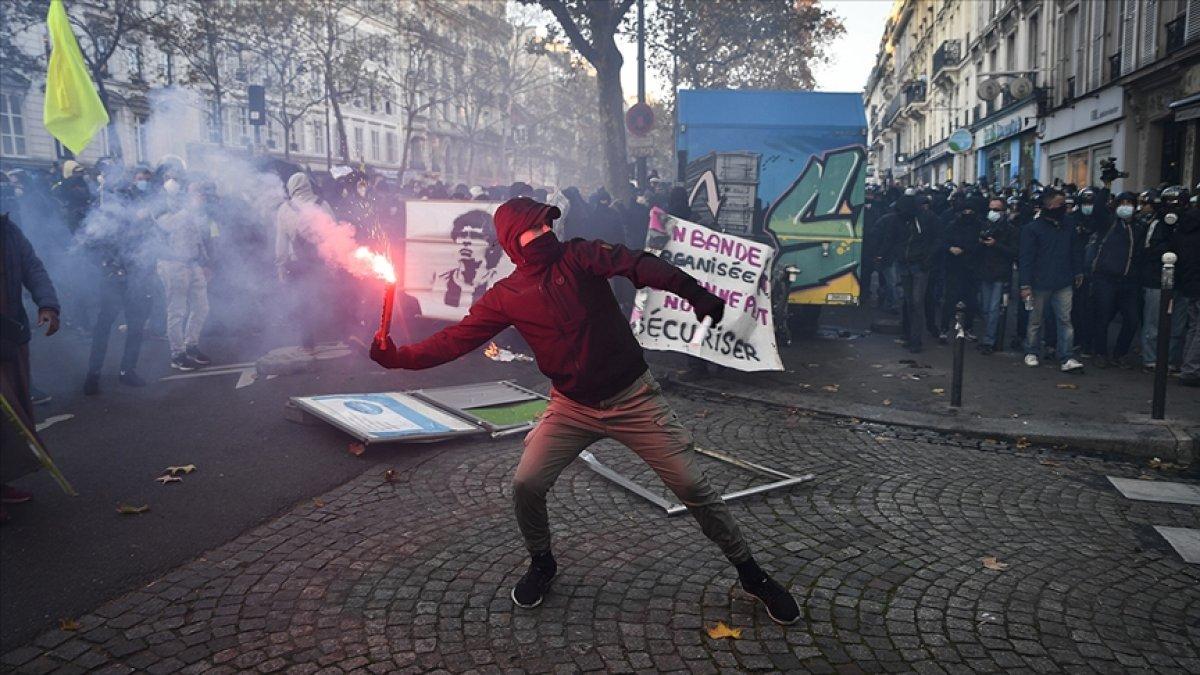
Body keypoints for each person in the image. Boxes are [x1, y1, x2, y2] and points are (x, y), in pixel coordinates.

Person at [369, 197, 801, 624]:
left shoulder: (579, 255)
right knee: (526, 483)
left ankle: (750, 573)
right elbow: (456, 339)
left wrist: (693, 292)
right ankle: (542, 562)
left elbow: (638, 263)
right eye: (533, 229)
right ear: (512, 242)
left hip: (633, 398)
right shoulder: (506, 296)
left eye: (547, 225)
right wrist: (400, 357)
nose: (545, 234)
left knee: (694, 486)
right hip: (571, 407)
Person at [1, 214, 60, 524]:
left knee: (13, 417)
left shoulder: (9, 230)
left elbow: (33, 268)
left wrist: (47, 304)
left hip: (10, 336)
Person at [82, 168, 157, 393]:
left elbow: (148, 242)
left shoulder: (142, 213)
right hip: (114, 278)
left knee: (135, 326)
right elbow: (89, 243)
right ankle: (93, 374)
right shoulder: (105, 211)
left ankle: (127, 370)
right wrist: (107, 266)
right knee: (104, 326)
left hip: (136, 276)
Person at [1019, 189, 1085, 372]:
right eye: (1059, 204)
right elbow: (1026, 258)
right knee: (1035, 320)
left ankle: (1067, 356)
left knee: (1065, 320)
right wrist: (1025, 284)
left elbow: (1075, 249)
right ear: (1049, 206)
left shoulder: (1068, 225)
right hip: (1039, 282)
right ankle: (1031, 351)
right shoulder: (1032, 229)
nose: (1063, 207)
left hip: (1063, 280)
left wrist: (1078, 271)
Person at [156, 181, 215, 371]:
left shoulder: (191, 211)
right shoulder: (160, 207)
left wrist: (205, 262)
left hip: (193, 263)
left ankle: (191, 345)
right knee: (177, 311)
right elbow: (167, 226)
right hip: (172, 264)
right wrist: (188, 210)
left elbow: (198, 237)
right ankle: (177, 354)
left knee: (202, 307)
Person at [878, 193, 937, 353]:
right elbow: (891, 239)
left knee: (915, 303)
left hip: (917, 265)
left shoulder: (924, 219)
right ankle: (913, 337)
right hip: (909, 264)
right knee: (912, 302)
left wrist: (927, 260)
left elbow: (935, 240)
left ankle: (915, 339)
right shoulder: (902, 220)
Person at [1139, 187, 1186, 372]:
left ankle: (1171, 359)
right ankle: (1151, 359)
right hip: (1156, 279)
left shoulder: (1187, 223)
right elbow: (1149, 250)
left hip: (1181, 280)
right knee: (1153, 323)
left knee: (1177, 325)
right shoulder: (1156, 223)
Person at [974, 197, 1017, 354]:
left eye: (997, 209)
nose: (993, 212)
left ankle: (989, 340)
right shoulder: (984, 226)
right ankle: (989, 336)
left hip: (1000, 273)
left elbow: (1013, 251)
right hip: (985, 272)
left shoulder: (1010, 229)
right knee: (985, 308)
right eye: (991, 209)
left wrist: (996, 245)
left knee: (993, 308)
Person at [1167, 187, 1200, 386]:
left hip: (1190, 282)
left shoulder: (1185, 225)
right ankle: (1191, 370)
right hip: (1196, 281)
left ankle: (1189, 366)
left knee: (1194, 327)